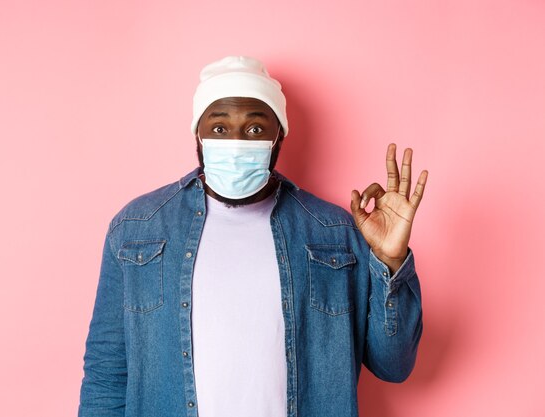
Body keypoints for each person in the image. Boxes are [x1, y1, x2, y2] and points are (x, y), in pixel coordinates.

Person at [78, 56, 428, 417]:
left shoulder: (334, 233)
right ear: (197, 134)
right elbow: (107, 373)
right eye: (218, 129)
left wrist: (390, 260)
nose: (236, 142)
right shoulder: (138, 228)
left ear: (279, 137)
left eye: (255, 129)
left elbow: (394, 365)